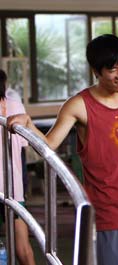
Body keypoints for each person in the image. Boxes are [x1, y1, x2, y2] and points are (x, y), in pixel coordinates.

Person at [7, 34, 118, 265]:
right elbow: (49, 145)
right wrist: (28, 123)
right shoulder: (79, 105)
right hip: (108, 215)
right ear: (96, 71)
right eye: (113, 70)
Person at [0, 69, 35, 265]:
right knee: (23, 247)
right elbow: (23, 144)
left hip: (11, 185)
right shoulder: (14, 105)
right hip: (12, 185)